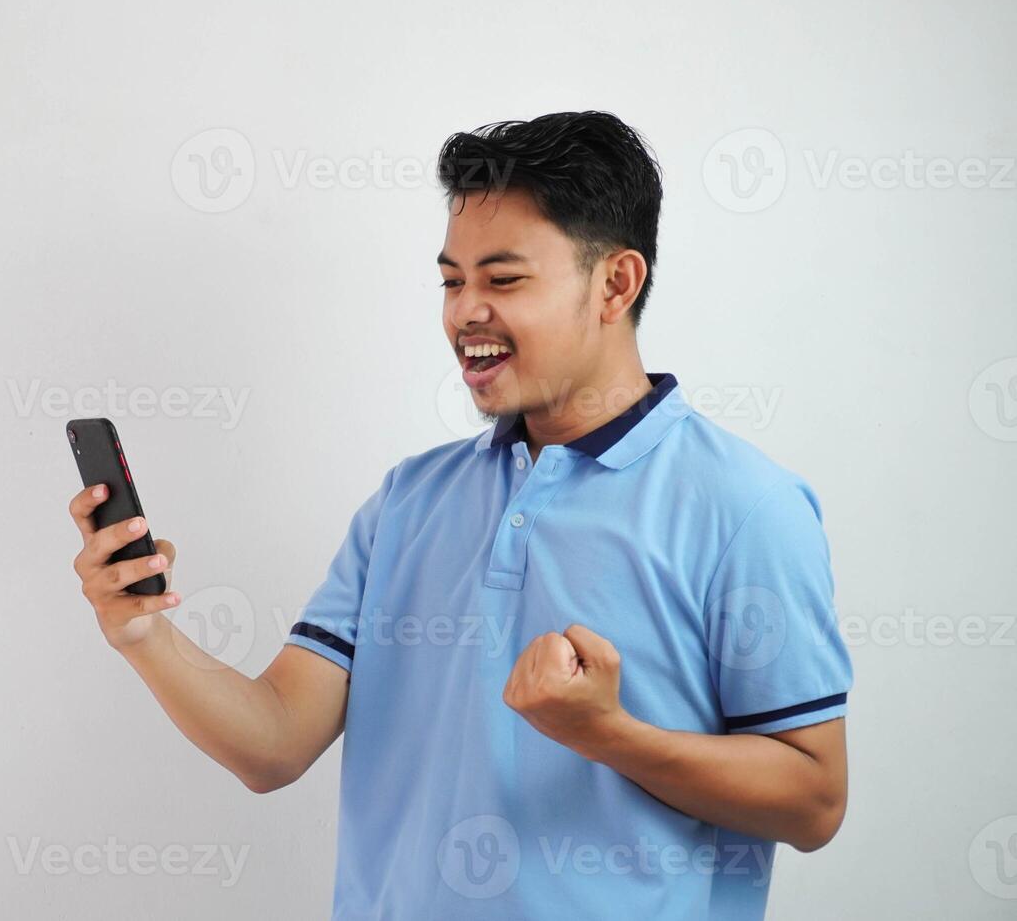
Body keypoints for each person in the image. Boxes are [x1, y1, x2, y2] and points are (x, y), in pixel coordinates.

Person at [67, 111, 853, 920]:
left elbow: (815, 801)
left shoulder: (746, 508)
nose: (464, 313)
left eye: (503, 280)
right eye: (451, 281)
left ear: (616, 283)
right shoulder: (408, 501)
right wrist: (143, 634)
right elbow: (272, 745)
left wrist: (608, 733)